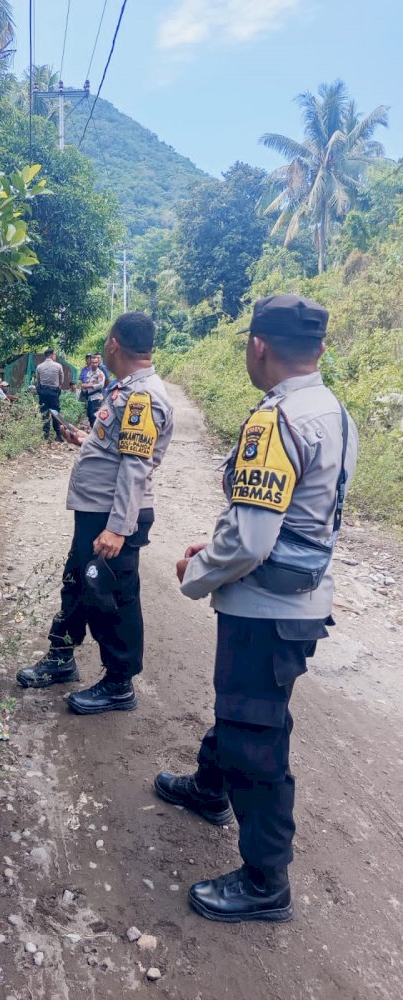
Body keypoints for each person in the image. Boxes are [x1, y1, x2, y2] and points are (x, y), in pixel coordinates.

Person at [154, 294, 358, 923]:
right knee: (248, 708)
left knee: (255, 730)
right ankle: (210, 786)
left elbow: (251, 538)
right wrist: (220, 545)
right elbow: (282, 518)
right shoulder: (333, 410)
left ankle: (266, 879)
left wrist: (198, 569)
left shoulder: (278, 421)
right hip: (298, 597)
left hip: (267, 605)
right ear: (320, 349)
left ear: (258, 346)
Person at [16, 312, 174, 714]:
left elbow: (136, 467)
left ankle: (119, 683)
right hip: (97, 510)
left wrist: (118, 529)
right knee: (78, 582)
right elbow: (120, 449)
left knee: (114, 596)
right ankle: (62, 656)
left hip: (113, 515)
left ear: (113, 344)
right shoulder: (126, 389)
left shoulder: (142, 396)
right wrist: (86, 440)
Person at [35, 347, 64, 442]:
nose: (55, 356)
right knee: (55, 412)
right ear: (51, 355)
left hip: (43, 391)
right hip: (53, 392)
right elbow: (61, 380)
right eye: (54, 355)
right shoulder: (58, 366)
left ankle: (46, 435)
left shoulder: (39, 366)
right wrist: (58, 387)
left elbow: (38, 381)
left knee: (45, 412)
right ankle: (58, 435)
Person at [80, 352, 106, 425]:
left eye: (96, 363)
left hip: (96, 397)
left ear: (98, 363)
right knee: (89, 415)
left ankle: (95, 434)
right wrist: (85, 386)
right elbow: (86, 382)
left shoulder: (100, 373)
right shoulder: (89, 373)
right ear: (90, 363)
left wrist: (89, 386)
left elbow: (101, 385)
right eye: (93, 362)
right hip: (89, 397)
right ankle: (92, 432)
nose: (94, 364)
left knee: (94, 416)